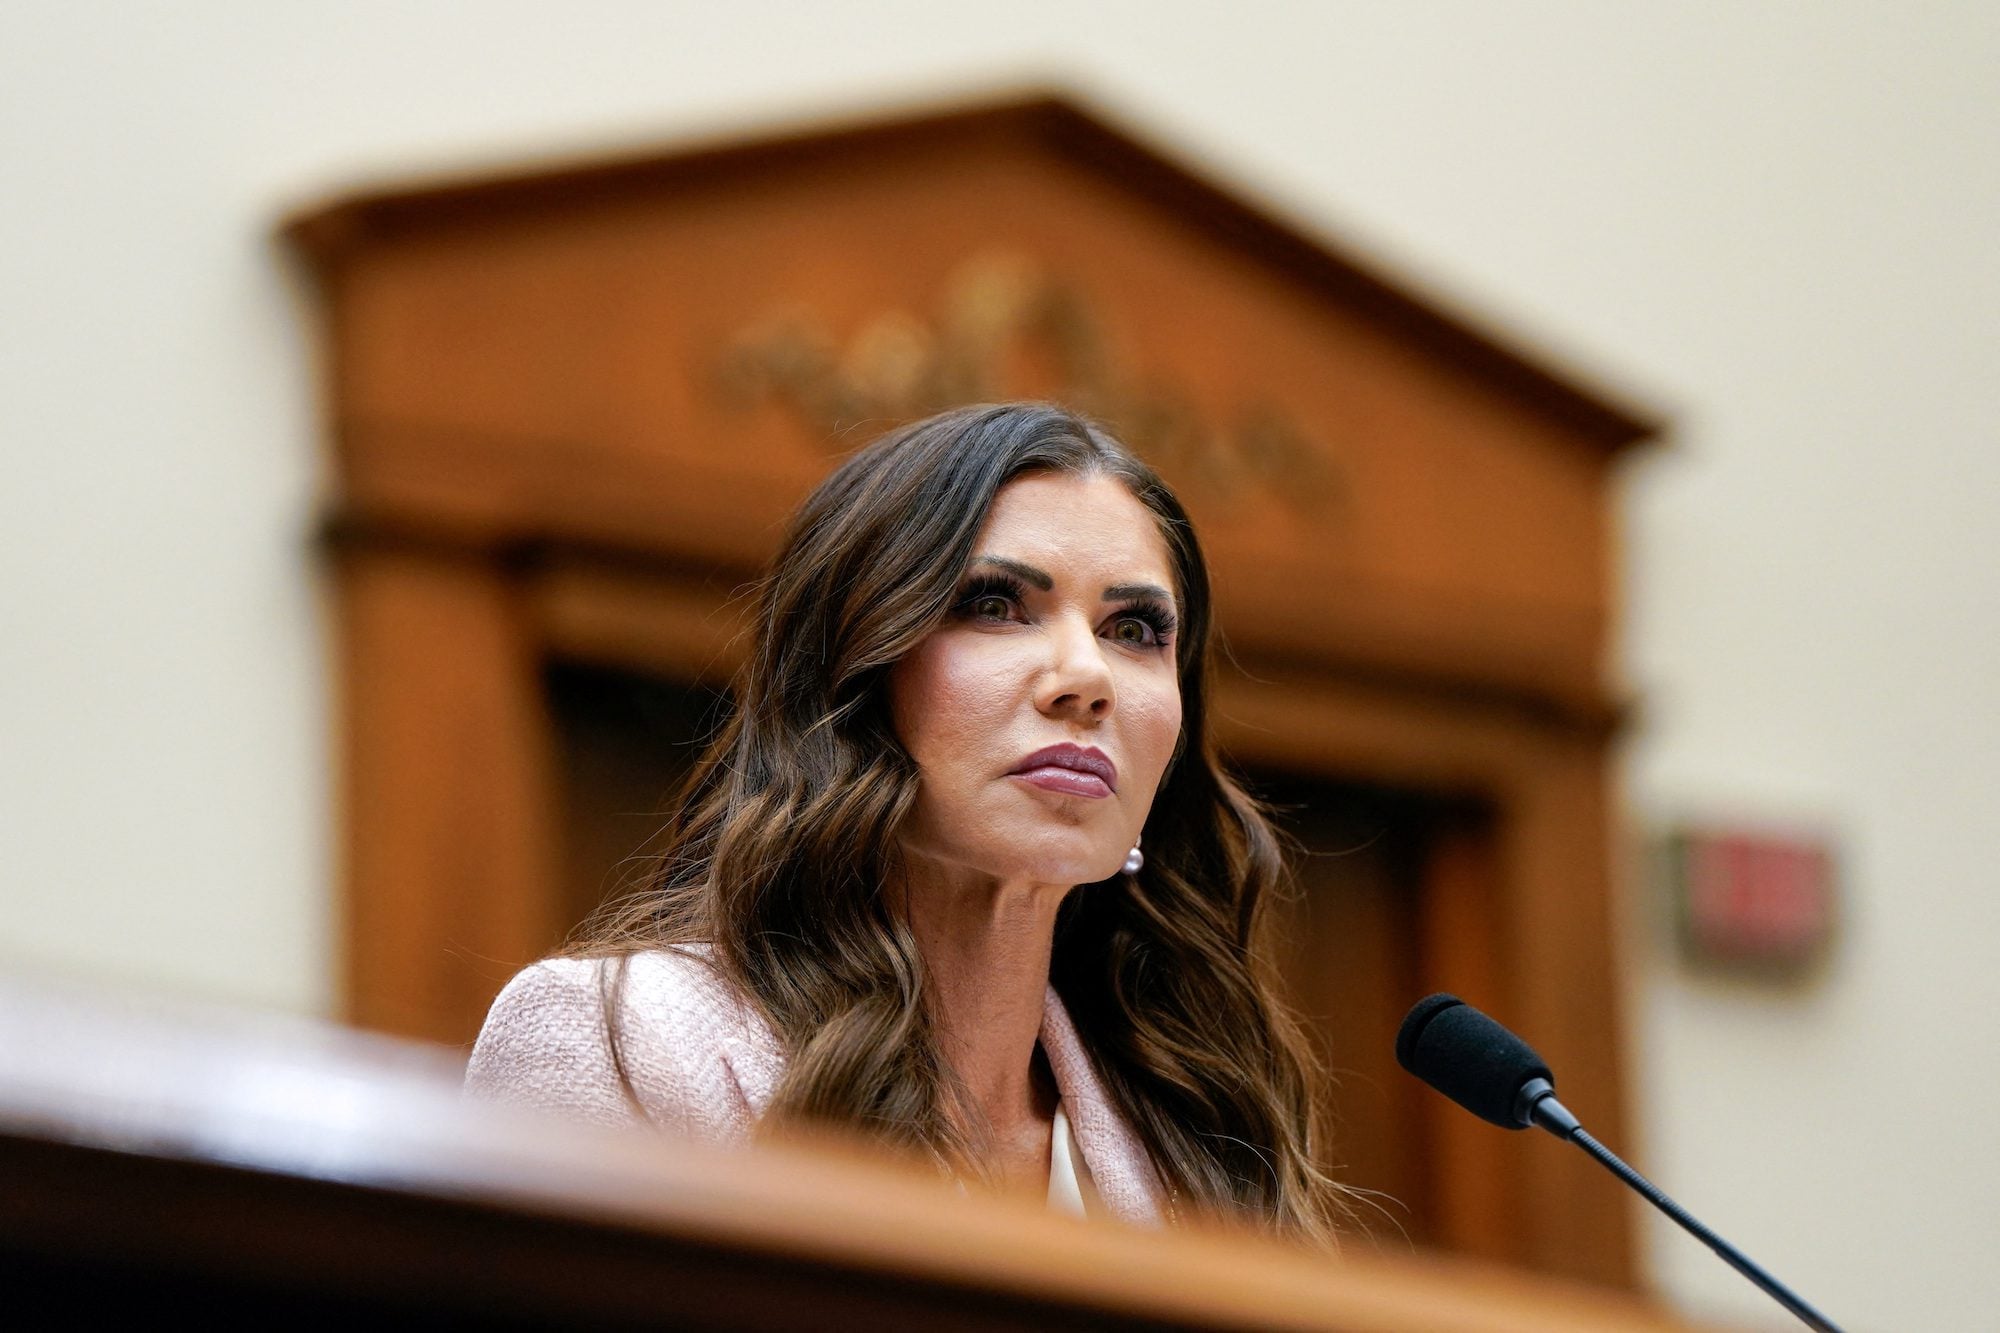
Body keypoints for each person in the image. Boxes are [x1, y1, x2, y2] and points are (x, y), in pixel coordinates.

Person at [466, 402, 1343, 1241]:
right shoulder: (623, 1044)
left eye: (1136, 629)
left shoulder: (1197, 1131)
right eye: (995, 606)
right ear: (855, 682)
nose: (1088, 677)